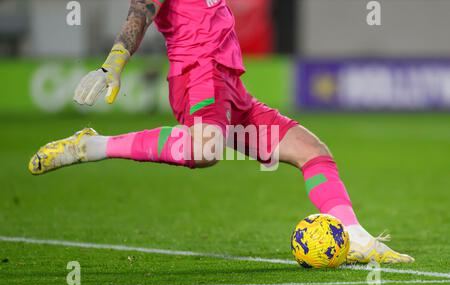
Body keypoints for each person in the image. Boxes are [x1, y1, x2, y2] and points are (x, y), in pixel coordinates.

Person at [28, 0, 413, 264]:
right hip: (198, 77)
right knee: (206, 150)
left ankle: (357, 238)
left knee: (312, 151)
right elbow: (140, 10)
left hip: (231, 87)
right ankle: (91, 146)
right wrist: (113, 64)